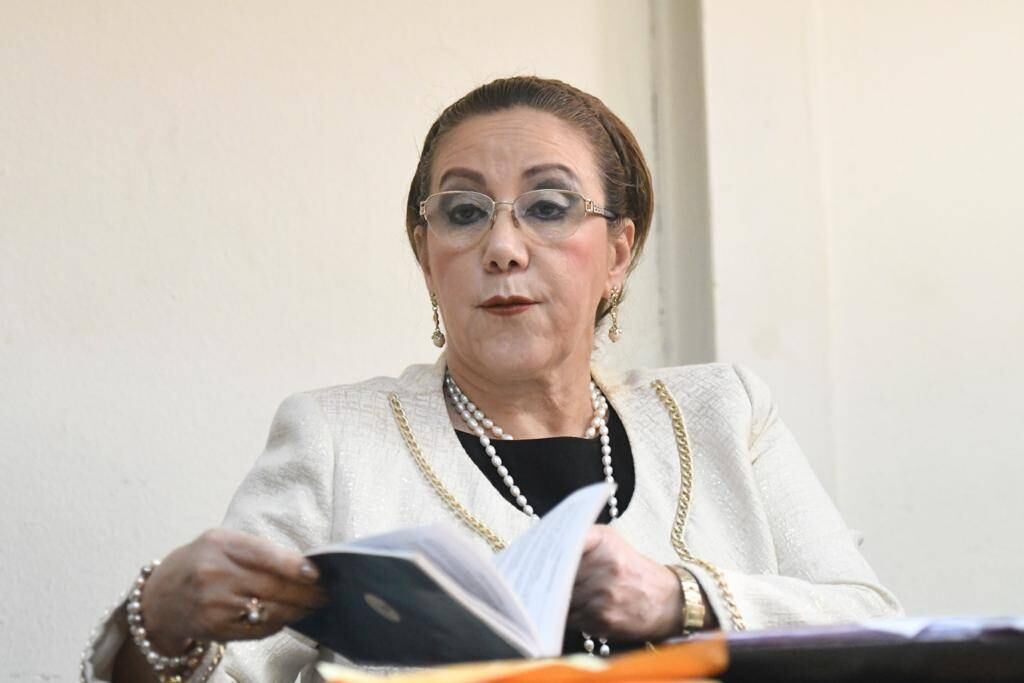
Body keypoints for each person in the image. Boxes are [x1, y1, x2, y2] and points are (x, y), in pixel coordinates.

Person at [81, 76, 901, 682]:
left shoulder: (723, 413)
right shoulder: (337, 441)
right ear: (426, 255)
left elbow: (878, 628)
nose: (503, 248)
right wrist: (160, 617)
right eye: (465, 212)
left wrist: (679, 596)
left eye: (548, 206)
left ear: (618, 252)